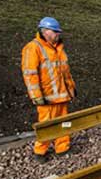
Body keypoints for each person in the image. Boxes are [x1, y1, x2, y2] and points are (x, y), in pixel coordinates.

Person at [21, 17, 76, 164]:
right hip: (47, 98)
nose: (58, 34)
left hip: (62, 96)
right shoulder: (33, 48)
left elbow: (65, 72)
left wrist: (71, 89)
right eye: (55, 32)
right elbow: (30, 74)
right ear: (45, 31)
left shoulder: (58, 48)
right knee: (46, 126)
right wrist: (36, 96)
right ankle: (40, 151)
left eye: (58, 32)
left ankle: (62, 148)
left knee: (65, 123)